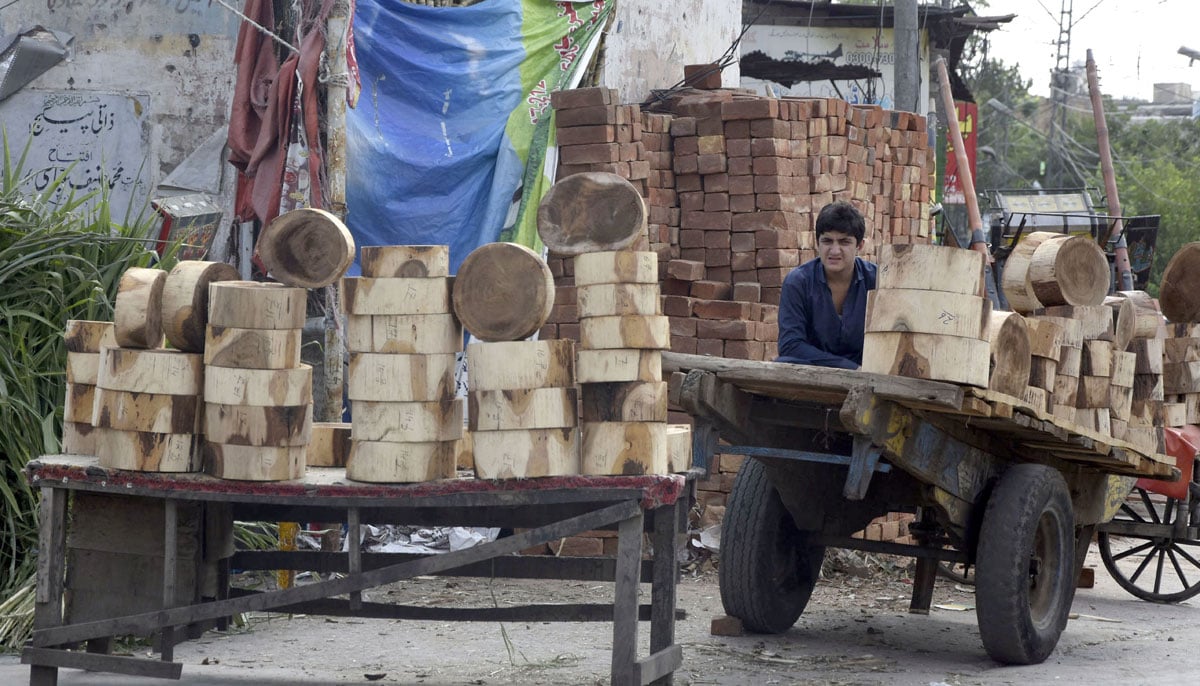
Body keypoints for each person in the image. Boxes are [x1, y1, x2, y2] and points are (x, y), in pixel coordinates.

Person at [776, 201, 877, 370]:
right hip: (811, 372)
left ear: (860, 245)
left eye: (844, 242)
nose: (835, 251)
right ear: (817, 243)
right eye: (827, 241)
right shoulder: (798, 282)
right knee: (784, 362)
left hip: (868, 372)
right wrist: (849, 368)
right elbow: (790, 345)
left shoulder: (877, 281)